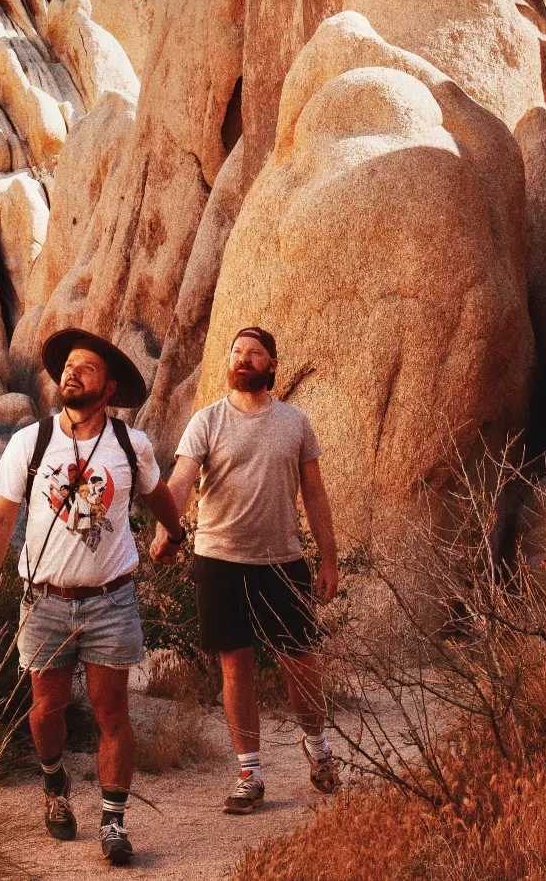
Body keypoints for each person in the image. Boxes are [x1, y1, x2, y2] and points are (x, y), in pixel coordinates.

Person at [0, 328, 187, 867]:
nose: (72, 372)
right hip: (43, 601)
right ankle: (54, 782)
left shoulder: (129, 446)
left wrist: (176, 534)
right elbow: (0, 520)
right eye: (69, 365)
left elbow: (158, 496)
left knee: (112, 711)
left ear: (109, 386)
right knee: (46, 711)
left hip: (111, 600)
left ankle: (113, 822)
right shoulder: (32, 442)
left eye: (86, 367)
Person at [149, 325, 341, 814]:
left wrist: (329, 557)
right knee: (236, 666)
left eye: (254, 353)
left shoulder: (295, 422)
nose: (243, 359)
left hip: (283, 561)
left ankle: (318, 749)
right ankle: (249, 772)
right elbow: (182, 482)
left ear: (272, 365)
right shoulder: (207, 421)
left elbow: (315, 494)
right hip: (219, 560)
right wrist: (166, 532)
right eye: (237, 352)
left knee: (300, 662)